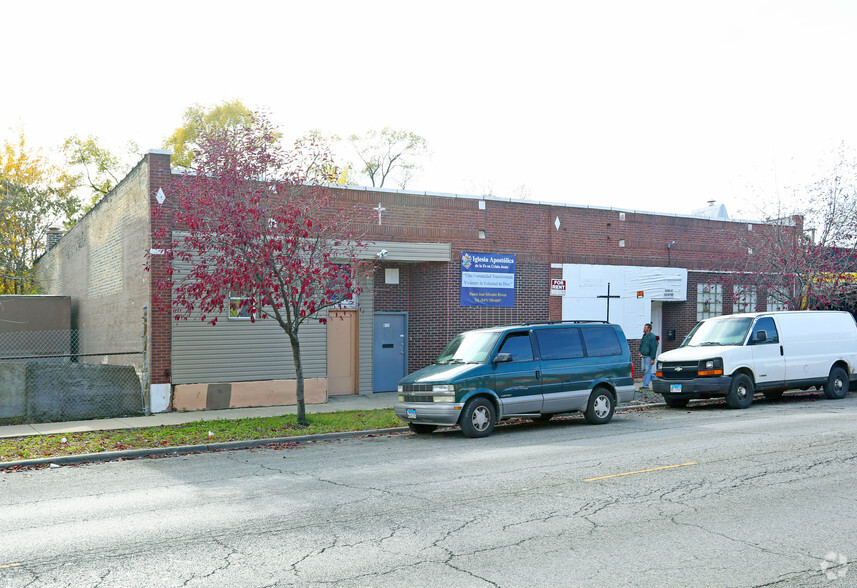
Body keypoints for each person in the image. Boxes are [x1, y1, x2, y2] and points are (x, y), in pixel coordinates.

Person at [639, 323, 658, 390]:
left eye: (645, 328)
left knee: (647, 370)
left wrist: (653, 358)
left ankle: (645, 385)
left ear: (649, 329)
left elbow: (653, 348)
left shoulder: (652, 337)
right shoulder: (644, 336)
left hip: (649, 356)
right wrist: (640, 351)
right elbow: (641, 344)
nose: (644, 329)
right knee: (643, 369)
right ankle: (656, 379)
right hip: (643, 355)